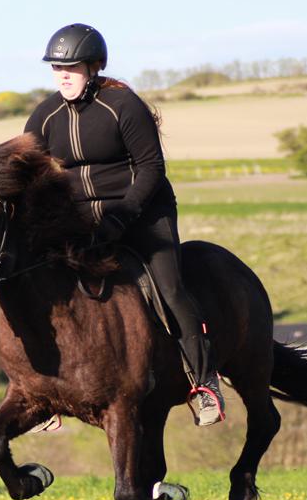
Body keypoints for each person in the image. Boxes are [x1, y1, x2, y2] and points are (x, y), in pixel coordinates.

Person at [24, 23, 225, 426]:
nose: (63, 75)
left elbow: (151, 167)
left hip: (143, 211)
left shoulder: (123, 105)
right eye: (56, 68)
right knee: (38, 284)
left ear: (95, 67)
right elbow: (32, 176)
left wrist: (123, 214)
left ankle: (204, 382)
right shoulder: (45, 116)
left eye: (72, 67)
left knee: (169, 289)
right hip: (81, 220)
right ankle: (44, 390)